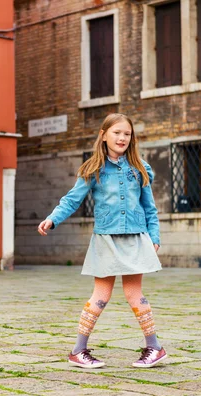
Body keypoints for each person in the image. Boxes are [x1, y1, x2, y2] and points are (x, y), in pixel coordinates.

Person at [37, 113, 166, 369]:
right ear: (104, 135)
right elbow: (73, 199)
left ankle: (155, 348)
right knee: (101, 295)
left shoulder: (140, 168)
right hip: (105, 239)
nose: (122, 138)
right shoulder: (92, 169)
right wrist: (53, 218)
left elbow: (149, 207)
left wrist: (154, 236)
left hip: (136, 237)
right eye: (117, 132)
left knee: (134, 294)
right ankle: (78, 350)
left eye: (127, 134)